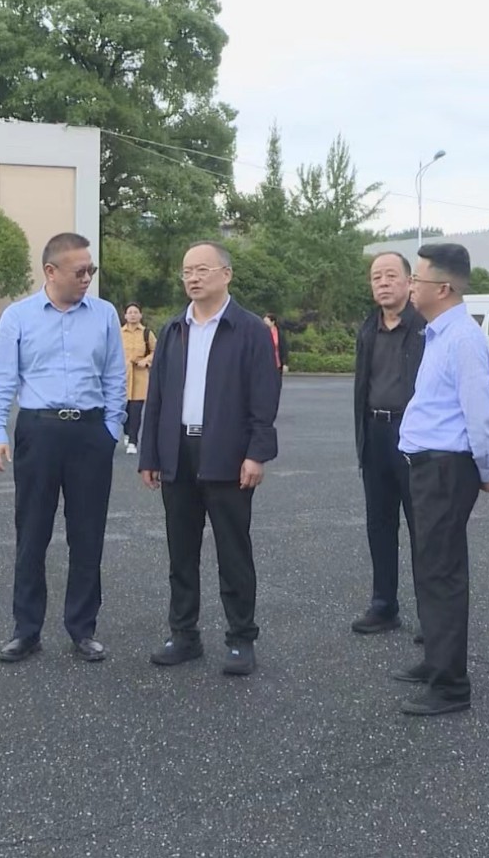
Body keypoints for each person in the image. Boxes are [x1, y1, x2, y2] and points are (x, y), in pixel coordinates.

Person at [138, 241, 280, 676]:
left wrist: (256, 453)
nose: (193, 278)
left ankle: (241, 638)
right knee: (181, 551)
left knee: (233, 550)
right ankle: (184, 634)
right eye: (187, 271)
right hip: (177, 451)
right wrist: (150, 453)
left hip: (227, 453)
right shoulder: (173, 329)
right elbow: (156, 397)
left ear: (226, 274)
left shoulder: (249, 329)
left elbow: (264, 397)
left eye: (202, 269)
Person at [0, 232, 126, 664]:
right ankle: (26, 630)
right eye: (79, 271)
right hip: (39, 431)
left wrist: (112, 429)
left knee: (88, 535)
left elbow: (115, 377)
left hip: (90, 433)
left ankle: (82, 629)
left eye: (91, 270)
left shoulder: (104, 314)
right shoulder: (18, 317)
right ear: (50, 271)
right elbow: (2, 378)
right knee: (32, 534)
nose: (87, 278)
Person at [392, 243, 489, 716]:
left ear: (444, 288)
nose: (409, 285)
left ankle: (451, 685)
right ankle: (437, 660)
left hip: (445, 469)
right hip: (429, 466)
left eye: (416, 279)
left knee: (442, 572)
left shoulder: (463, 339)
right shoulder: (439, 334)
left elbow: (480, 414)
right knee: (429, 566)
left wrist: (484, 468)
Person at [351, 253, 426, 636]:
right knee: (379, 524)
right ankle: (384, 605)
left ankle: (432, 615)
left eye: (391, 276)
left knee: (423, 527)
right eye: (376, 277)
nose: (382, 282)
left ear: (410, 283)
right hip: (375, 434)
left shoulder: (425, 329)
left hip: (414, 437)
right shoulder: (369, 328)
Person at [119, 302, 156, 456]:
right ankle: (127, 432)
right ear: (125, 316)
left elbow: (156, 350)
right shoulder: (119, 333)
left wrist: (146, 360)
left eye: (135, 312)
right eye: (130, 312)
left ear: (140, 315)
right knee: (124, 410)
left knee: (136, 410)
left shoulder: (147, 333)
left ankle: (133, 441)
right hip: (122, 376)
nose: (133, 315)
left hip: (140, 376)